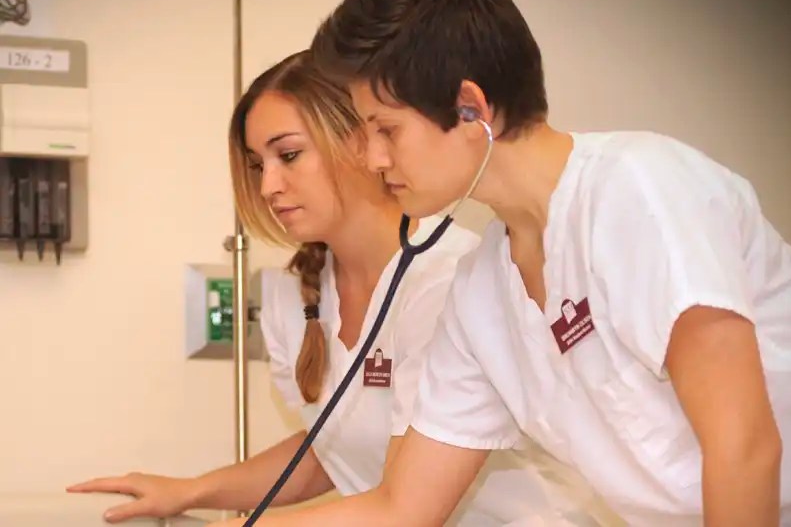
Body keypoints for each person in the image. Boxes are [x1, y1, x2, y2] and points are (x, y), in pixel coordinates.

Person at [208, 0, 791, 526]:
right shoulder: (481, 288)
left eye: (386, 130)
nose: (373, 158)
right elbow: (403, 508)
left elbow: (743, 448)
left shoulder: (637, 190)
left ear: (471, 109)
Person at [66, 50, 614, 526]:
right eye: (257, 165)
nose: (269, 186)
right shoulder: (292, 297)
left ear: (360, 141)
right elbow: (330, 449)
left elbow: (405, 507)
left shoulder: (447, 280)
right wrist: (190, 492)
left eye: (288, 155)